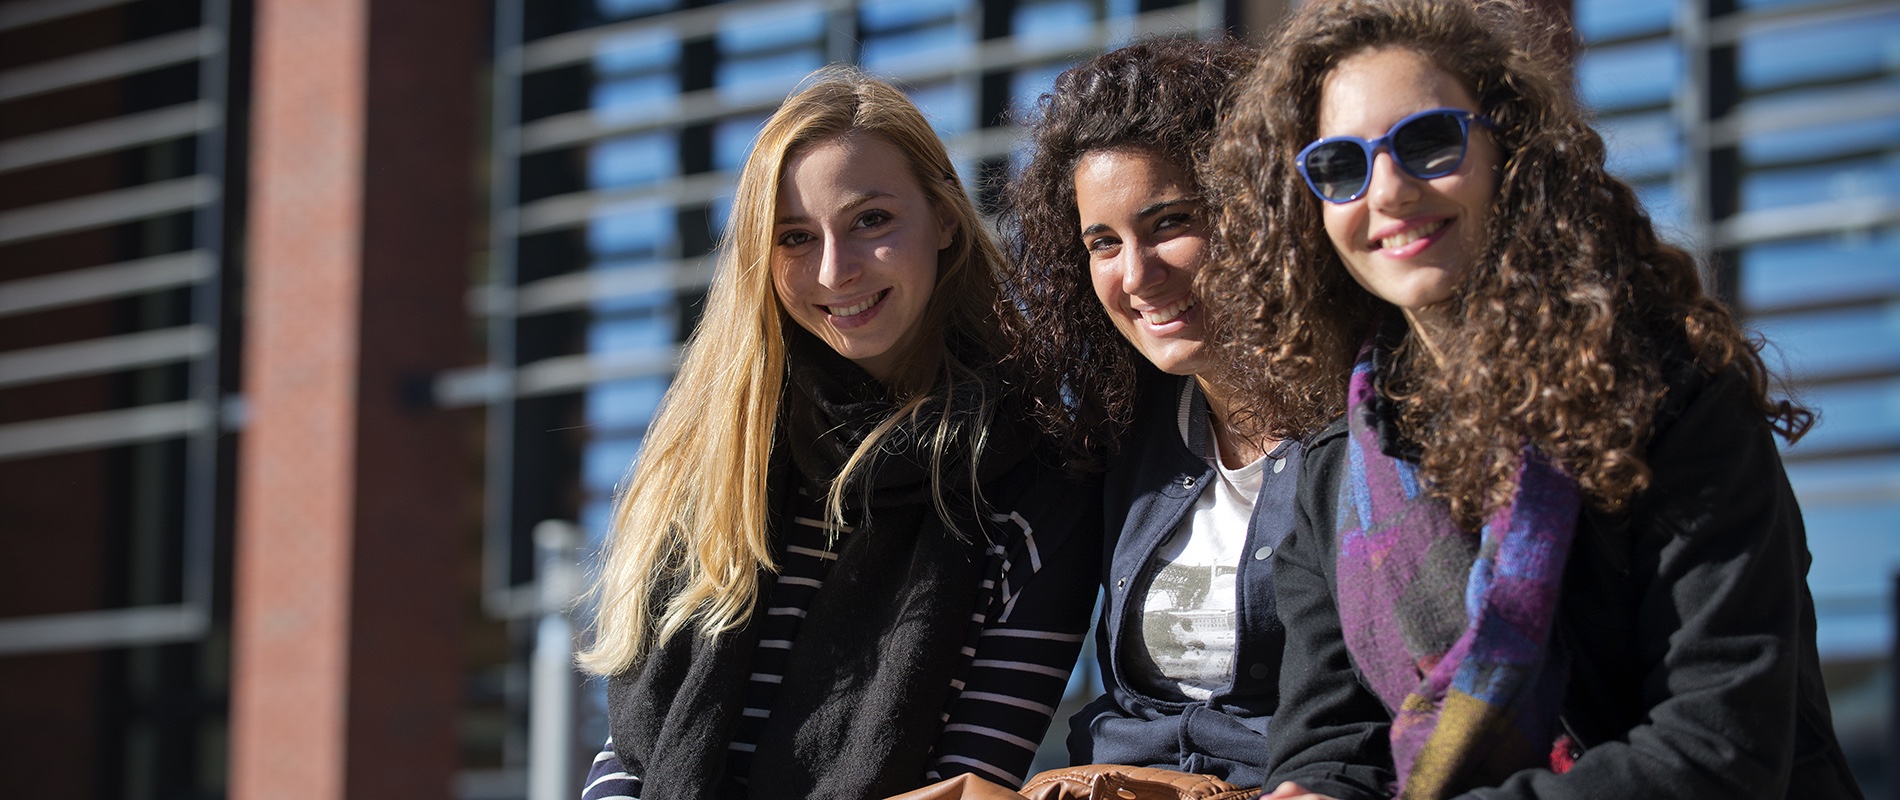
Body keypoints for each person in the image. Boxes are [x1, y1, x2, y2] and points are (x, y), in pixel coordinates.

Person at [1196, 0, 1865, 797]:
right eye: (1340, 166)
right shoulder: (1331, 474)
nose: (1389, 190)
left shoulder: (1668, 398)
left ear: (1508, 153)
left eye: (1429, 141)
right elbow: (1334, 747)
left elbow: (1719, 747)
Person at [576, 68, 1101, 800]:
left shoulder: (1036, 481)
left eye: (872, 221)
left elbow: (971, 780)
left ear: (945, 217)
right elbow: (627, 753)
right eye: (794, 236)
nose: (835, 270)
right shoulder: (714, 454)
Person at [996, 37, 1334, 794]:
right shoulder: (1126, 432)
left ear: (1257, 206)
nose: (1137, 275)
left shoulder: (1365, 431)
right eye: (1103, 243)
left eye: (1171, 222)